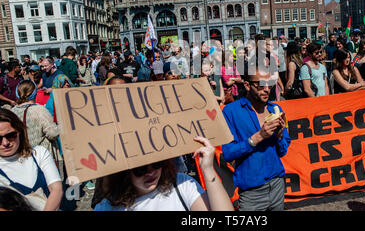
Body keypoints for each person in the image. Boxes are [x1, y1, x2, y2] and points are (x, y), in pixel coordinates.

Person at [94, 136, 234, 211]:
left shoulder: (181, 184)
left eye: (156, 164)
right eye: (140, 169)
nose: (150, 172)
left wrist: (208, 169)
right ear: (123, 172)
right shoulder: (107, 207)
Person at [222, 65, 290, 211]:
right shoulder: (230, 112)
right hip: (251, 193)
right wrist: (257, 138)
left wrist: (279, 137)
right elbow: (227, 153)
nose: (266, 89)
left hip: (277, 184)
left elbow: (283, 150)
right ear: (247, 85)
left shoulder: (276, 110)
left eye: (269, 84)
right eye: (260, 85)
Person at [0, 109, 63, 211]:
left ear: (19, 131)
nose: (5, 142)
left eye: (11, 135)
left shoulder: (38, 153)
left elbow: (56, 189)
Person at [11, 80, 59, 158]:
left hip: (21, 156)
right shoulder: (39, 110)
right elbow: (52, 133)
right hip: (42, 156)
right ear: (35, 93)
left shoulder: (12, 112)